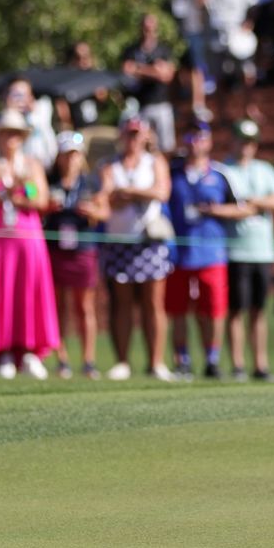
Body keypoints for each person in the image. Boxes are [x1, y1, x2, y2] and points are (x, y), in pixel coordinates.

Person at [0, 111, 59, 379]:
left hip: (27, 238)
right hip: (1, 240)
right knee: (3, 291)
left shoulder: (30, 165)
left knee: (28, 291)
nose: (10, 138)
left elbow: (40, 198)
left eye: (14, 133)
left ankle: (30, 351)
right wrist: (5, 192)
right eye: (5, 133)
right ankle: (4, 351)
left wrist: (23, 191)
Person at [98, 115, 173, 381]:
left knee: (153, 303)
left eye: (137, 134)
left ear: (146, 136)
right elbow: (107, 197)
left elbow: (162, 192)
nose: (133, 139)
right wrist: (134, 192)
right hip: (120, 241)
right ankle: (122, 362)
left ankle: (156, 362)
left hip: (149, 241)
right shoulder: (110, 165)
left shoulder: (156, 162)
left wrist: (128, 191)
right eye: (129, 134)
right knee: (122, 303)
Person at [218, 120, 274, 382]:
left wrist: (252, 202)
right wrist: (249, 207)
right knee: (236, 310)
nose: (245, 147)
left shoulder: (265, 169)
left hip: (262, 252)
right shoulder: (223, 170)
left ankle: (260, 365)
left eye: (250, 142)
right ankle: (237, 365)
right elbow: (223, 207)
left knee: (258, 310)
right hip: (235, 251)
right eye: (241, 141)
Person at [166, 122, 233, 380]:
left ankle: (212, 359)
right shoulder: (173, 173)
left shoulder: (220, 174)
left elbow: (239, 208)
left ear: (210, 141)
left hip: (211, 253)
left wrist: (216, 210)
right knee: (179, 309)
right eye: (191, 135)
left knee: (212, 310)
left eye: (201, 136)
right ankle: (182, 359)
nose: (196, 141)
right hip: (179, 254)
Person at [46, 131, 104, 379]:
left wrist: (91, 210)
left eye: (75, 155)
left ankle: (88, 360)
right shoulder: (50, 183)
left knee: (84, 306)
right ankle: (62, 360)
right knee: (57, 306)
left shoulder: (90, 183)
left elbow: (104, 212)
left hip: (83, 249)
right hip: (56, 248)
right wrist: (46, 206)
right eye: (67, 155)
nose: (71, 160)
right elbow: (32, 197)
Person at [198, 0, 261, 120]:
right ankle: (222, 112)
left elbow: (255, 5)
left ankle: (249, 108)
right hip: (217, 39)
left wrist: (249, 23)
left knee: (247, 75)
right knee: (219, 78)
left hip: (238, 38)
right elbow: (199, 2)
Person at [120, 13, 178, 154]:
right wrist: (155, 70)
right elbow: (126, 70)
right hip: (140, 106)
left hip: (161, 104)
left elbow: (166, 76)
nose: (148, 30)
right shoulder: (132, 50)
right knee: (140, 146)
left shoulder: (163, 50)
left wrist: (139, 69)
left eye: (151, 27)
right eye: (146, 27)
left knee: (166, 147)